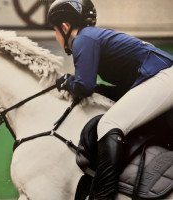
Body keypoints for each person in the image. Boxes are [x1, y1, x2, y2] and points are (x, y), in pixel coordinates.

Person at [47, 0, 173, 199]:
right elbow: (118, 89)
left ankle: (102, 195)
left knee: (108, 124)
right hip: (160, 78)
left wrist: (66, 82)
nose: (55, 36)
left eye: (54, 30)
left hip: (164, 77)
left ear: (64, 26)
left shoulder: (83, 39)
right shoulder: (93, 37)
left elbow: (84, 86)